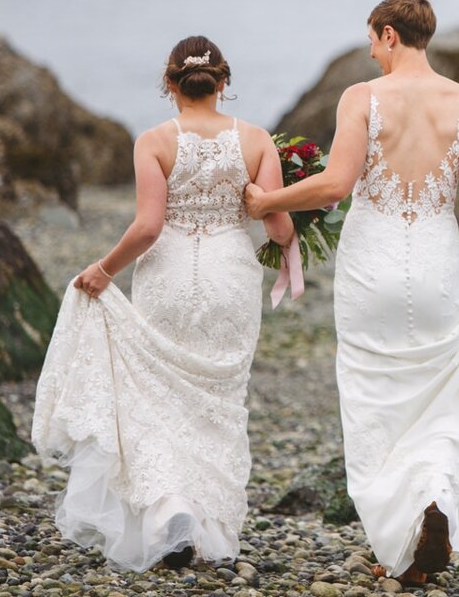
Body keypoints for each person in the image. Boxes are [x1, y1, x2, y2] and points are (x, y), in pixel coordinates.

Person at [244, 0, 459, 585]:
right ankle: (434, 495)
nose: (371, 52)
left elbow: (334, 186)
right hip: (436, 264)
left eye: (372, 40)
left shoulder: (362, 98)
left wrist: (266, 201)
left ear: (387, 34)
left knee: (373, 396)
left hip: (372, 266)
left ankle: (397, 542)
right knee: (441, 392)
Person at [31, 37, 293, 572]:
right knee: (217, 398)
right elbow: (278, 226)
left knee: (157, 393)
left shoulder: (153, 141)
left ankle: (169, 510)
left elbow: (148, 227)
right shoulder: (258, 140)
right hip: (230, 277)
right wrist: (292, 224)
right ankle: (202, 516)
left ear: (169, 84)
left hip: (168, 275)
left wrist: (103, 270)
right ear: (224, 83)